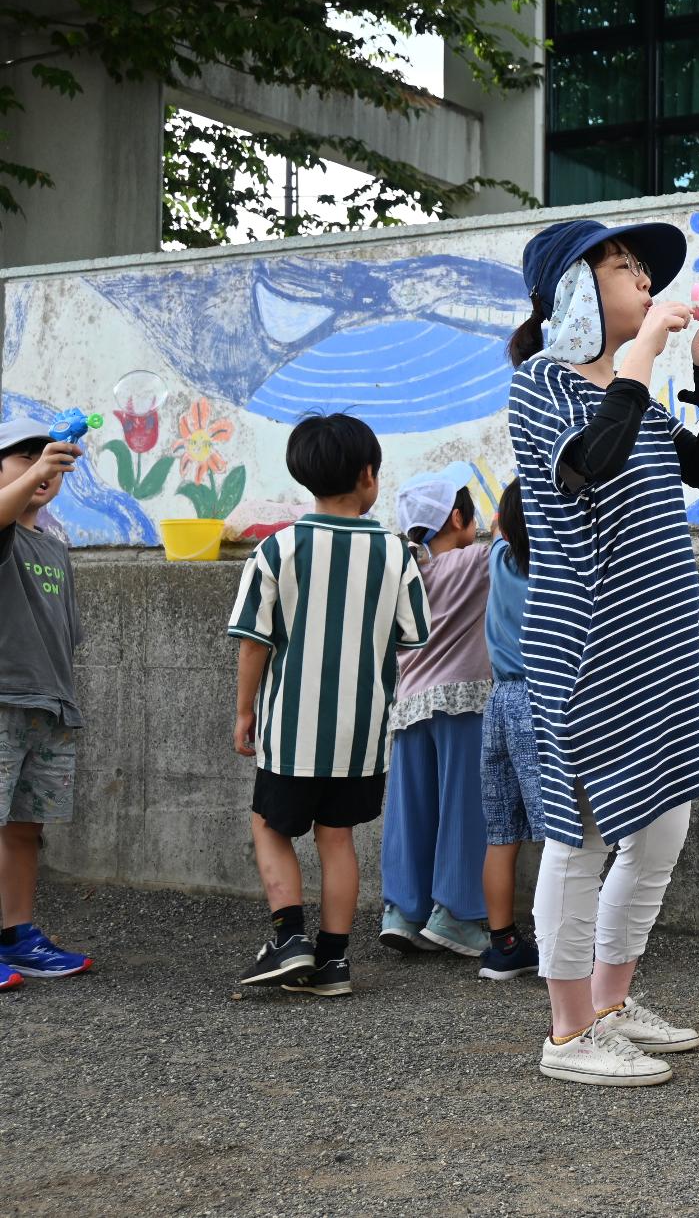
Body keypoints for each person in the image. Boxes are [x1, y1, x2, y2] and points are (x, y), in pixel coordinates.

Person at [505, 217, 699, 1085]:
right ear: (573, 286)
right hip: (587, 641)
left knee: (663, 821)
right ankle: (567, 1031)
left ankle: (610, 999)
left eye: (646, 270)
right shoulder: (542, 384)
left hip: (661, 636)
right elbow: (587, 469)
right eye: (625, 266)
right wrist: (643, 359)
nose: (646, 280)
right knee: (580, 837)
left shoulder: (627, 391)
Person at [229, 412, 430, 998]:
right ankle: (335, 963)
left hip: (292, 728)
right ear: (368, 475)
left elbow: (253, 641)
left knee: (269, 824)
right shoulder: (396, 553)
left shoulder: (277, 549)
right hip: (362, 732)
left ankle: (290, 939)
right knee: (335, 836)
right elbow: (414, 634)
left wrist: (245, 711)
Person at [379, 478, 492, 959]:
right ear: (455, 518)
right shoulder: (476, 562)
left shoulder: (401, 572)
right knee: (465, 807)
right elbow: (519, 537)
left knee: (410, 809)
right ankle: (457, 914)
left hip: (408, 703)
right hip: (463, 701)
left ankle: (403, 912)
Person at [0, 418, 92, 986]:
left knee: (25, 827)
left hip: (49, 707)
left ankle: (17, 933)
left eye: (48, 458)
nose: (41, 467)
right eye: (23, 457)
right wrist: (37, 469)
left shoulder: (54, 549)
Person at [476, 479, 541, 980]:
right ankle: (570, 939)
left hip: (498, 701)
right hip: (539, 702)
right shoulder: (552, 569)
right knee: (566, 836)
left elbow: (503, 525)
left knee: (502, 831)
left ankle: (502, 945)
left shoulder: (497, 556)